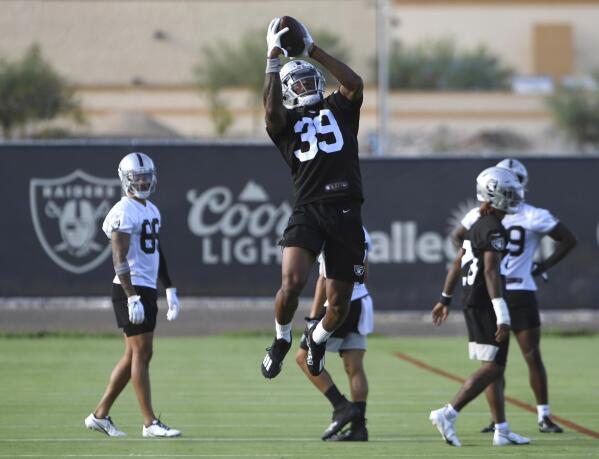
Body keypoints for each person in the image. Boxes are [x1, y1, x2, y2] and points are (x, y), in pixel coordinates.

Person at [261, 17, 366, 380]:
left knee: (337, 306)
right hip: (309, 209)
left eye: (309, 79)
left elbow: (354, 83)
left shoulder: (340, 107)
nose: (305, 85)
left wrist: (312, 50)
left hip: (346, 210)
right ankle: (280, 337)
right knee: (291, 282)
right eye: (298, 82)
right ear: (288, 91)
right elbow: (271, 112)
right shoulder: (285, 124)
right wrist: (273, 58)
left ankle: (317, 339)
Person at [452, 158, 576, 434]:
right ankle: (500, 421)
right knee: (496, 362)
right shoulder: (492, 215)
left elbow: (568, 239)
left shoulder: (526, 215)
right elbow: (459, 239)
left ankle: (541, 414)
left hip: (517, 291)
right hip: (498, 292)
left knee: (527, 355)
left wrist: (541, 265)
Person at [429, 166, 530, 447]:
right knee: (495, 368)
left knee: (493, 366)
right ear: (493, 194)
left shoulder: (477, 225)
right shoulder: (494, 228)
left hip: (472, 299)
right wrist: (502, 313)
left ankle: (502, 429)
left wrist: (444, 299)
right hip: (485, 303)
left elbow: (458, 262)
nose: (513, 198)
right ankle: (448, 413)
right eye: (508, 193)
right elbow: (490, 272)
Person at [84, 152, 181, 438]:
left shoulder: (151, 209)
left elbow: (156, 252)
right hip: (131, 287)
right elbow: (119, 256)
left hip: (146, 287)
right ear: (126, 179)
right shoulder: (124, 210)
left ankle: (100, 415)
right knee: (141, 352)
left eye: (146, 176)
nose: (142, 181)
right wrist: (130, 296)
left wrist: (170, 288)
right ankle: (149, 422)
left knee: (135, 354)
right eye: (137, 176)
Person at [296, 227, 373, 441]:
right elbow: (365, 273)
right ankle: (359, 427)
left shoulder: (328, 230)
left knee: (302, 357)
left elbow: (323, 279)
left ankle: (341, 406)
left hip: (337, 306)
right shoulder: (362, 231)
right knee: (354, 366)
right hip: (361, 302)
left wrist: (313, 319)